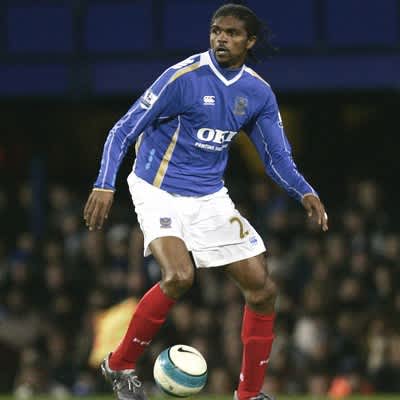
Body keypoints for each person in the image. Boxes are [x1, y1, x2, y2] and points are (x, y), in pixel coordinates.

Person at [83, 3, 328, 400]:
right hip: (158, 189)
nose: (221, 39)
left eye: (232, 33)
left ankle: (249, 395)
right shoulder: (183, 78)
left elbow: (275, 156)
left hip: (210, 195)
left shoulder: (257, 93)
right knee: (179, 276)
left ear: (249, 41)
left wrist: (304, 190)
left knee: (262, 289)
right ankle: (120, 364)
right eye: (216, 31)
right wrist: (104, 184)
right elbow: (123, 129)